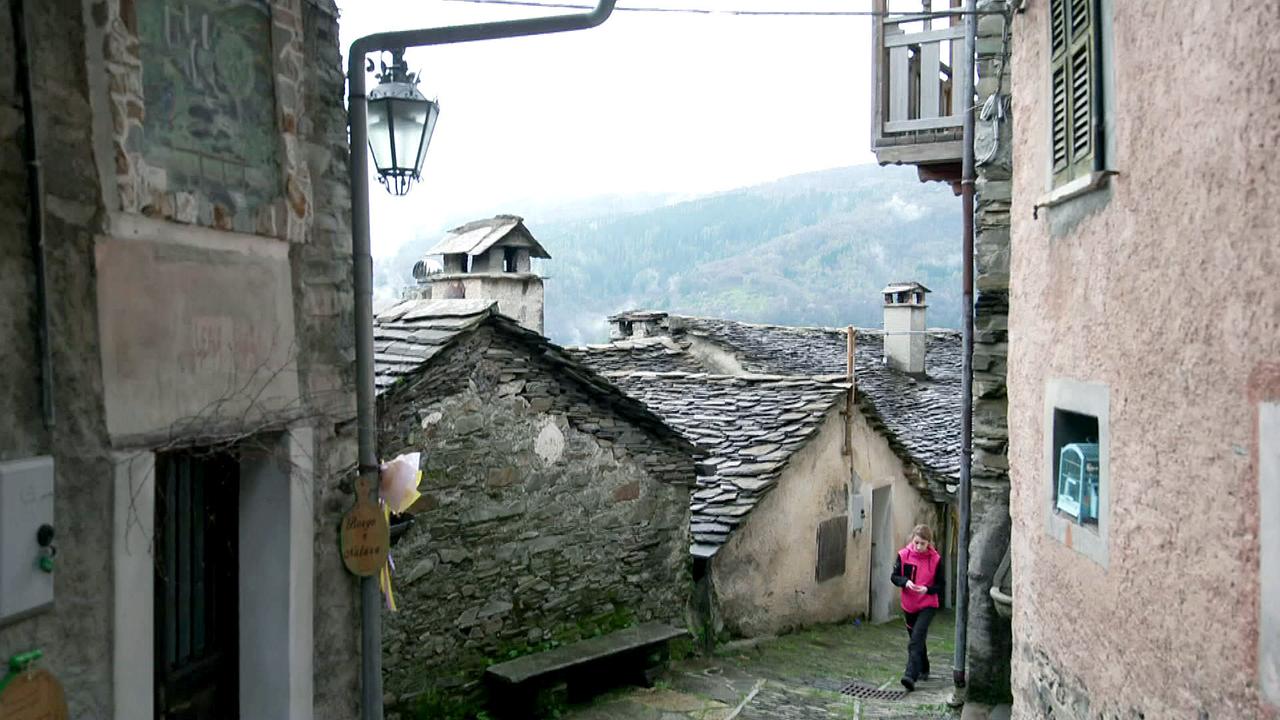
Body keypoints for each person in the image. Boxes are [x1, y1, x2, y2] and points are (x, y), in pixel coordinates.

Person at [891, 523, 943, 691]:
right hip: (909, 604)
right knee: (917, 638)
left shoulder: (935, 560)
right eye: (916, 542)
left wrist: (927, 589)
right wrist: (905, 582)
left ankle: (910, 676)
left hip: (928, 604)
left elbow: (941, 585)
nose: (919, 547)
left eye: (923, 543)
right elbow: (894, 576)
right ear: (912, 540)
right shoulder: (903, 555)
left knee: (915, 640)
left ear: (929, 543)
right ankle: (924, 667)